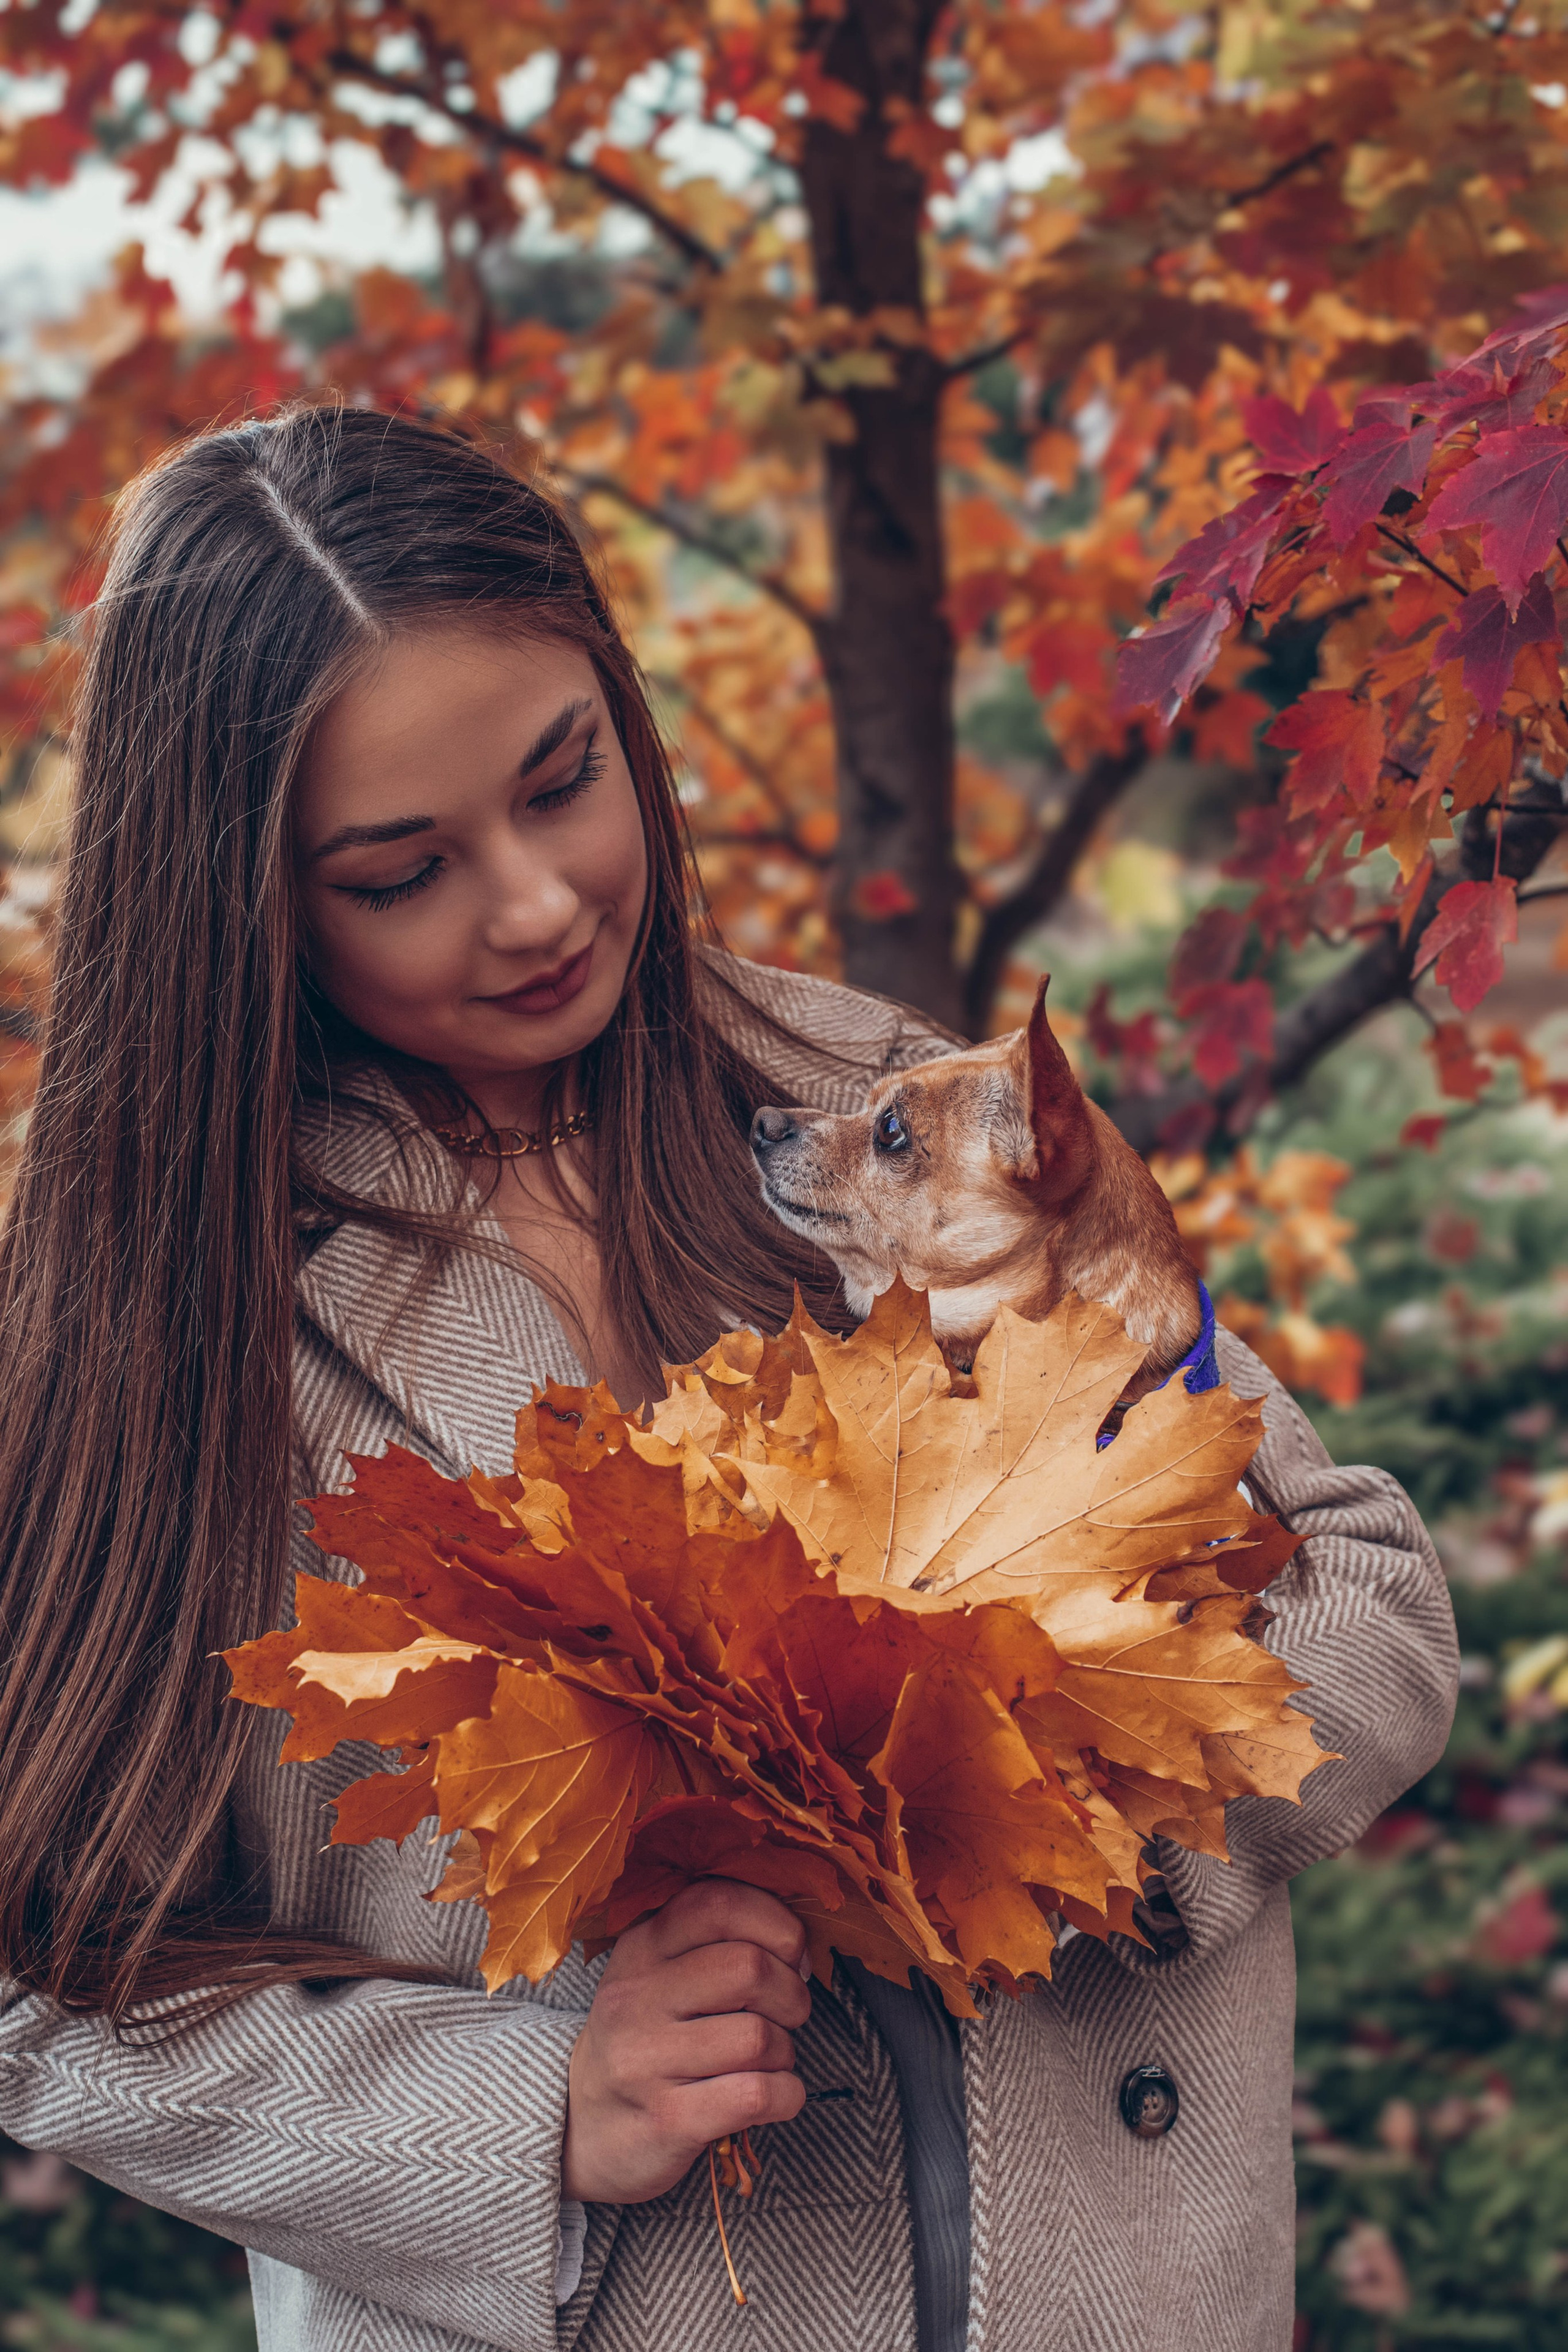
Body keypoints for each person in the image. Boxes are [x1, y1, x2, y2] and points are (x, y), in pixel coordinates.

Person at [0, 405, 1458, 2352]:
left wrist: (1091, 1823)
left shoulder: (870, 1098)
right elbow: (47, 1980)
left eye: (564, 779)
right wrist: (533, 2120)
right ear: (239, 895)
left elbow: (1365, 1589)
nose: (535, 904)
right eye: (403, 871)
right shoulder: (166, 1313)